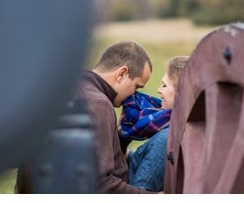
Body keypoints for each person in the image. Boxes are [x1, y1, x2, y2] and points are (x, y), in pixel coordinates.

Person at [76, 40, 155, 194]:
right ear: (122, 74)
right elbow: (100, 183)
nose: (135, 95)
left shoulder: (72, 89)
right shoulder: (99, 104)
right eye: (137, 87)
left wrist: (122, 137)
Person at [122, 56, 189, 192]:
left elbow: (141, 191)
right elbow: (150, 163)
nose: (159, 90)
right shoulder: (185, 128)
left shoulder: (166, 138)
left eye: (164, 85)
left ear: (180, 93)